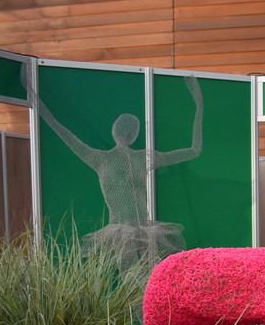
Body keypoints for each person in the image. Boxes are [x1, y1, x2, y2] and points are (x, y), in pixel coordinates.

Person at [36, 74, 203, 264]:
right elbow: (194, 150)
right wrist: (199, 104)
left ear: (114, 132)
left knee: (133, 273)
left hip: (126, 229)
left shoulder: (101, 159)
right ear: (134, 135)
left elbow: (60, 129)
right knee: (143, 271)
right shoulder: (140, 158)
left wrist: (36, 98)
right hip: (140, 229)